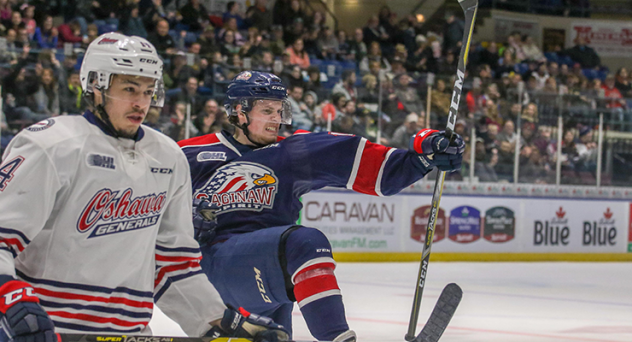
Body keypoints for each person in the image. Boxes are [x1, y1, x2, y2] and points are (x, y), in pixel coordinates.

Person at [0, 34, 287, 342]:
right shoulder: (50, 146)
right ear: (96, 87)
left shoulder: (167, 156)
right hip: (47, 331)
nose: (141, 102)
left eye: (148, 91)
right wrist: (13, 300)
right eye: (129, 89)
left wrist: (219, 318)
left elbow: (172, 264)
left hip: (131, 332)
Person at [177, 71, 465, 342]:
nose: (276, 119)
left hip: (271, 272)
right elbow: (147, 204)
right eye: (267, 111)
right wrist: (183, 221)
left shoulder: (293, 151)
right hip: (213, 266)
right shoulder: (188, 153)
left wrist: (426, 154)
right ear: (239, 112)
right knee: (305, 243)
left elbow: (381, 172)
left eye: (280, 111)